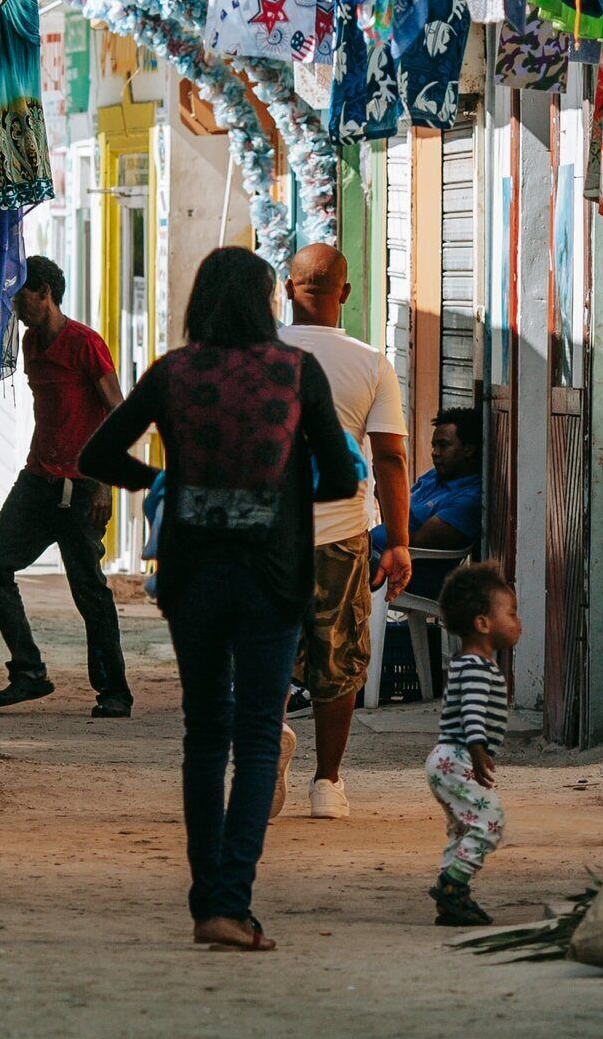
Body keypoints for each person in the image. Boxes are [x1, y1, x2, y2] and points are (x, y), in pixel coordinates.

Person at [77, 245, 362, 952]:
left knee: (203, 734)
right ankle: (232, 901)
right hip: (274, 576)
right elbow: (340, 478)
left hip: (192, 574)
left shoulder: (174, 372)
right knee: (257, 732)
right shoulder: (297, 372)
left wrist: (159, 486)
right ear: (269, 303)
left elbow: (96, 456)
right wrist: (287, 496)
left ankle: (208, 901)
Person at [278, 243, 407, 817]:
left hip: (261, 535)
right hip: (340, 533)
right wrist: (399, 542)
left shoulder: (252, 356)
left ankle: (265, 743)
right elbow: (391, 461)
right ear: (346, 294)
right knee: (341, 655)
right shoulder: (370, 363)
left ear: (286, 289)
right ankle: (327, 783)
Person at [0, 256, 131, 715]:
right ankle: (28, 671)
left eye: (21, 293)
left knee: (90, 591)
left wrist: (103, 483)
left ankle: (115, 692)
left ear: (44, 291)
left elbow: (118, 411)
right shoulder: (29, 343)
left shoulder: (85, 344)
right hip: (38, 479)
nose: (15, 303)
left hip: (81, 486)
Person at [427, 560, 519, 928]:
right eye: (510, 613)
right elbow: (472, 711)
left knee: (464, 827)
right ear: (483, 623)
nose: (517, 622)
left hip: (450, 758)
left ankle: (453, 897)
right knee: (489, 822)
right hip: (458, 756)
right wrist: (479, 750)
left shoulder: (471, 664)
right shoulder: (477, 668)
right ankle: (453, 884)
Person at [405, 411, 484, 597]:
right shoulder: (435, 476)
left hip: (409, 573)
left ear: (469, 449)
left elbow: (416, 541)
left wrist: (386, 497)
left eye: (443, 445)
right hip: (381, 555)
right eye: (434, 445)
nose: (435, 453)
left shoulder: (469, 497)